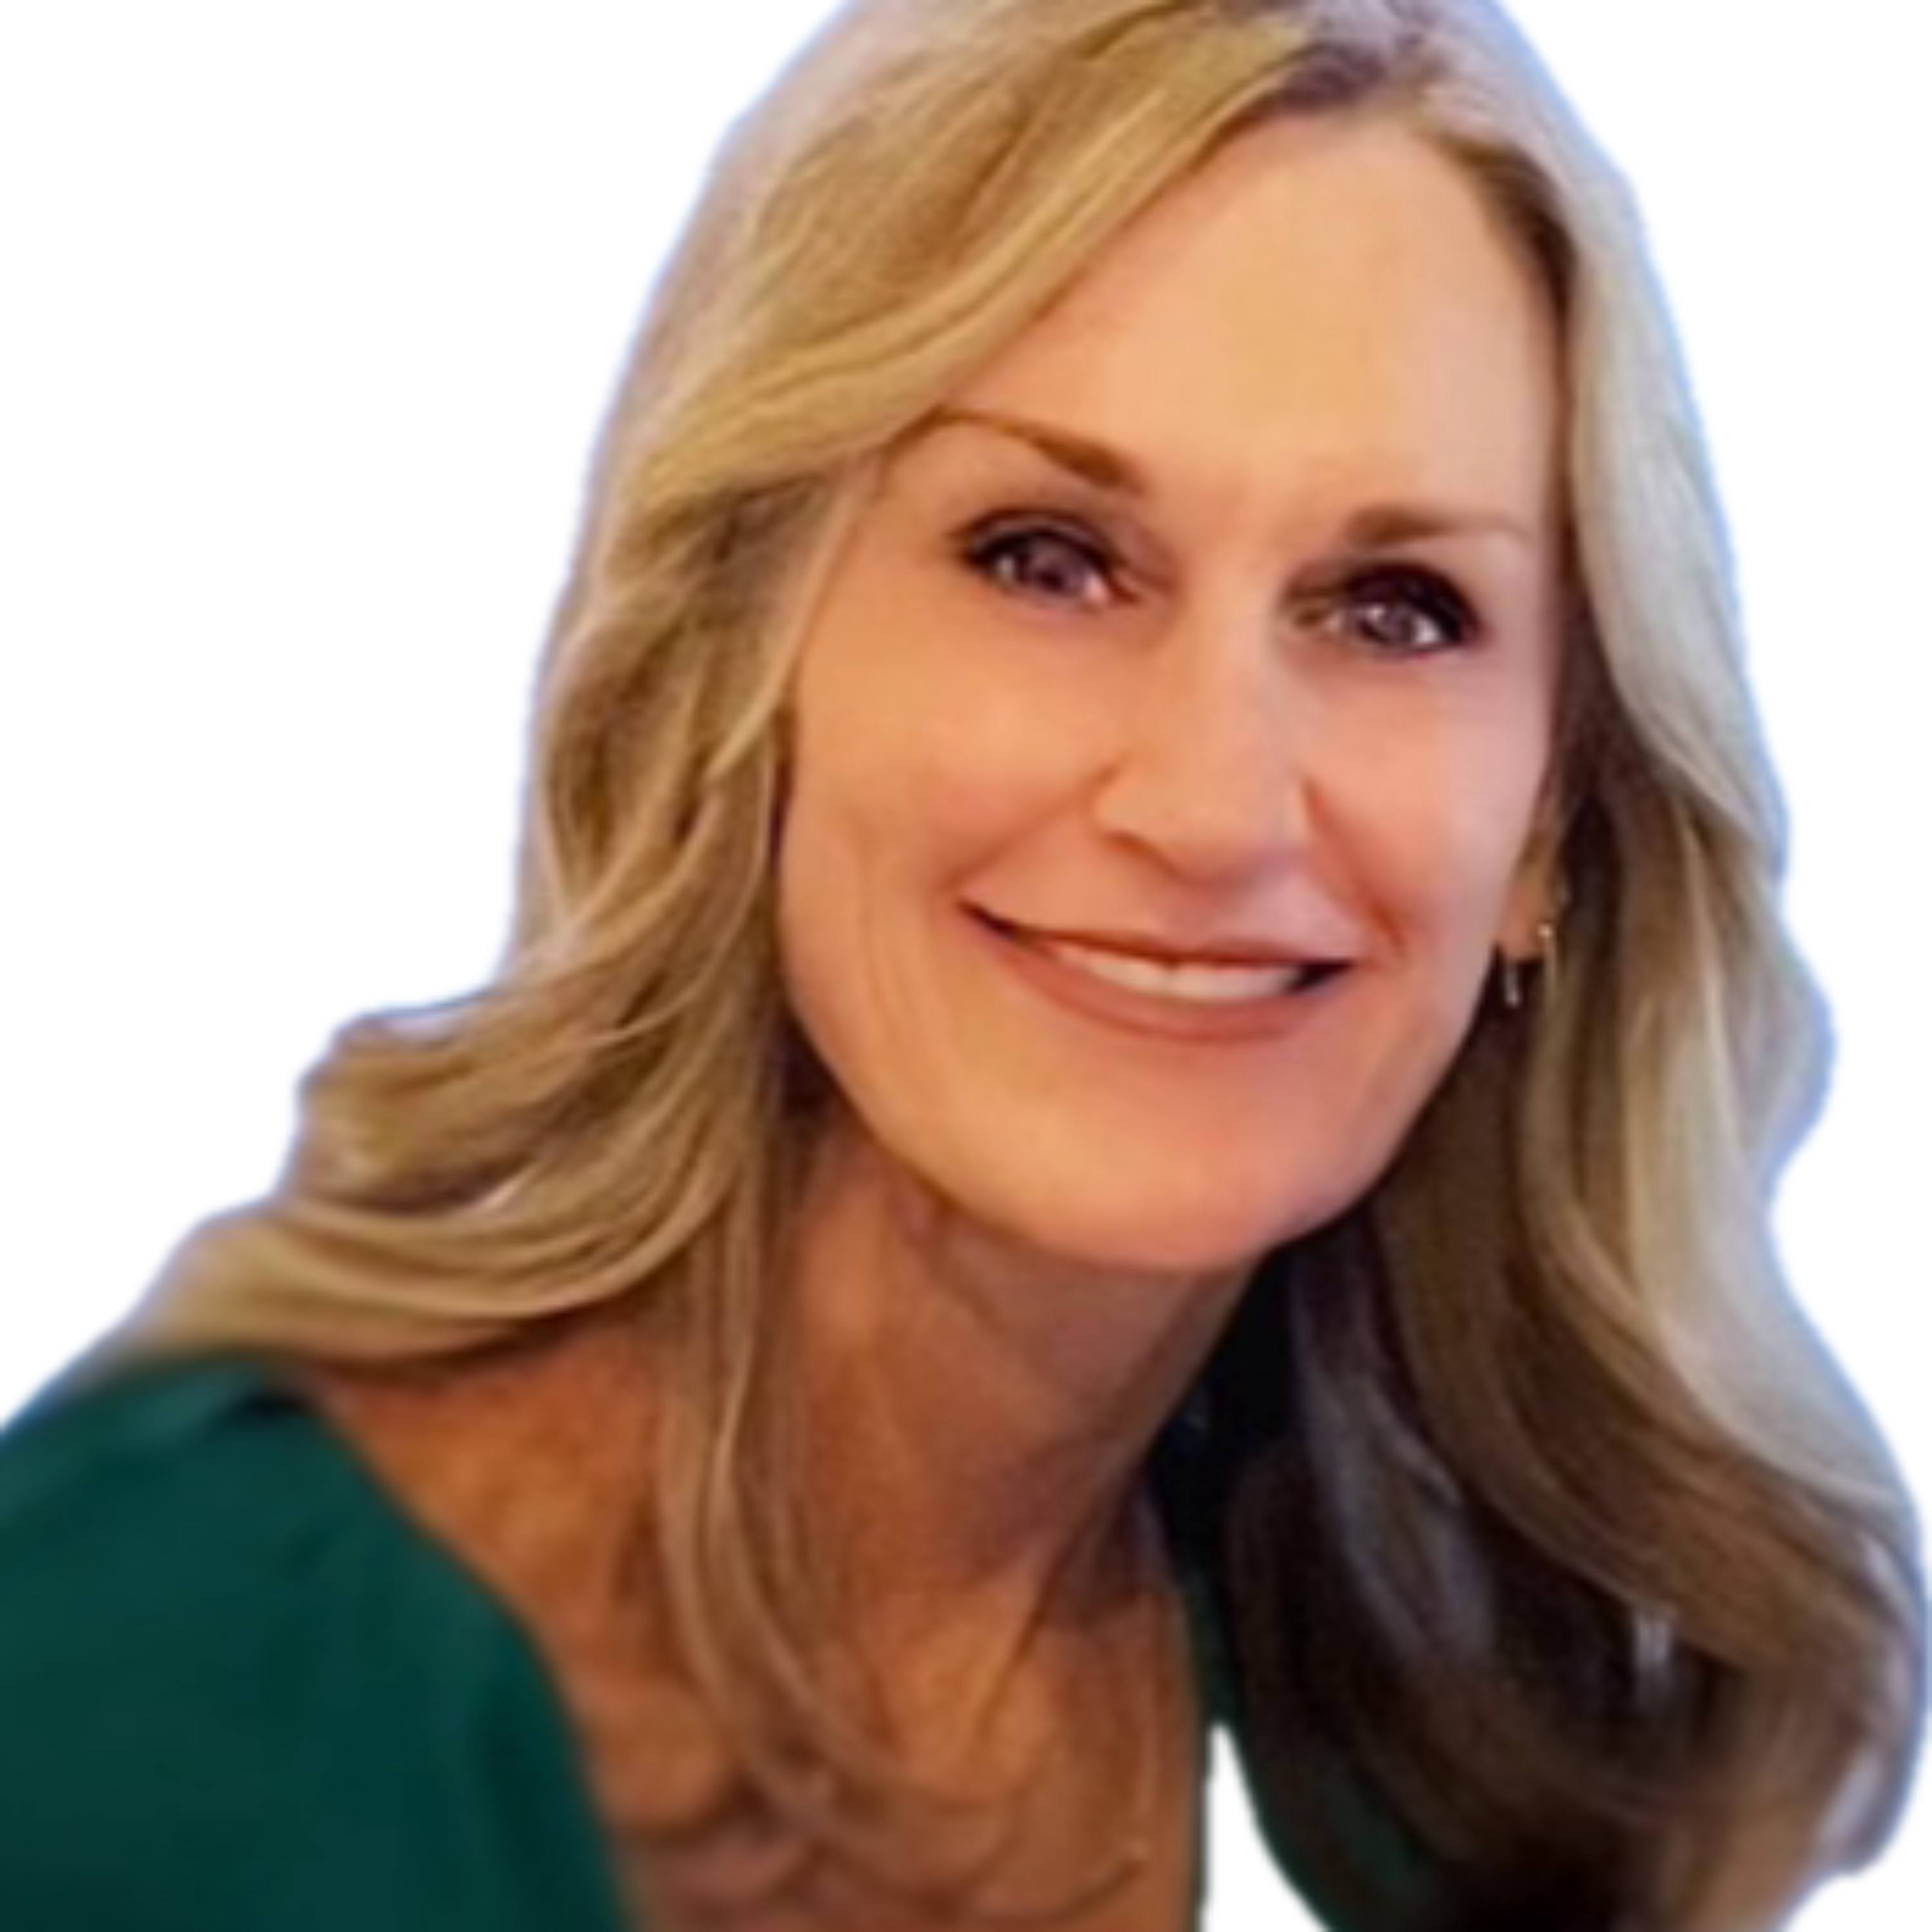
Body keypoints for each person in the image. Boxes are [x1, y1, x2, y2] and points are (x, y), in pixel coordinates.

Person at [0, 1, 1922, 1927]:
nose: (1213, 805)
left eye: (1394, 610)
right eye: (1046, 558)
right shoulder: (170, 1681)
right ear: (743, 665)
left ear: (1552, 823)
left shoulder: (1406, 1661)